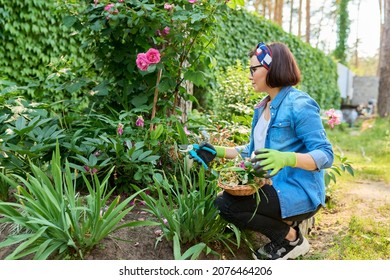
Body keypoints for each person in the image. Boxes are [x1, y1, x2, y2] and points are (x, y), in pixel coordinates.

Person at [190, 42, 334, 260]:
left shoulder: (299, 104)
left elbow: (325, 154)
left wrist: (287, 158)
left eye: (254, 69)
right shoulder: (262, 107)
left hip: (298, 192)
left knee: (226, 205)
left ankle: (290, 238)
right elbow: (252, 151)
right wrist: (216, 150)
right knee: (224, 201)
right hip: (270, 187)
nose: (250, 75)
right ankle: (285, 225)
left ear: (272, 68)